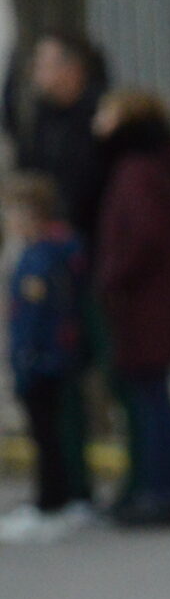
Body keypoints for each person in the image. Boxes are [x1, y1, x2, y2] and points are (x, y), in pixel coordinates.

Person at [92, 89, 170, 529]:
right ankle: (160, 488)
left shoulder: (135, 171)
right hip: (154, 301)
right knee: (153, 397)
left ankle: (161, 491)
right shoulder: (149, 165)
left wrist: (112, 275)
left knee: (151, 400)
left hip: (144, 304)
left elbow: (144, 236)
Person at [0, 173, 93, 543]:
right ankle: (61, 500)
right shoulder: (50, 250)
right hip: (50, 358)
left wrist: (27, 357)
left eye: (11, 213)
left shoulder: (41, 255)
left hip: (42, 360)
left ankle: (49, 504)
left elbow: (36, 315)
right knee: (50, 434)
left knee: (46, 437)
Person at [14, 33, 108, 242]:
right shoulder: (42, 117)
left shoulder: (100, 119)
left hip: (94, 239)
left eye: (42, 64)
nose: (34, 72)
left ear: (71, 69)